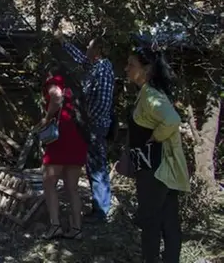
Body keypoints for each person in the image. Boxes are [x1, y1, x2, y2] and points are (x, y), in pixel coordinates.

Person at [124, 46, 189, 263]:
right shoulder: (147, 94)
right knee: (169, 222)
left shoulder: (151, 96)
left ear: (147, 69)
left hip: (154, 171)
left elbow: (172, 120)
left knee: (150, 223)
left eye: (131, 65)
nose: (126, 69)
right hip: (162, 169)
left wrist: (156, 137)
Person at [55, 30, 115, 222]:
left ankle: (101, 211)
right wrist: (63, 41)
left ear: (97, 50)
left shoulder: (104, 69)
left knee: (97, 167)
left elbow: (103, 102)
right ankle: (100, 207)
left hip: (96, 126)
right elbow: (81, 58)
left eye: (89, 46)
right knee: (93, 166)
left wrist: (88, 119)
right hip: (92, 125)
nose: (86, 49)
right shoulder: (95, 66)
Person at [36, 64, 88, 240]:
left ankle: (55, 225)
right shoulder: (75, 83)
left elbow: (56, 98)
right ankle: (77, 229)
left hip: (61, 136)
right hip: (78, 135)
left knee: (49, 183)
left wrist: (47, 118)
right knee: (72, 188)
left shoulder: (54, 80)